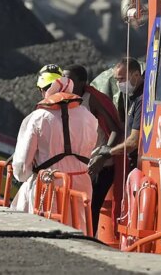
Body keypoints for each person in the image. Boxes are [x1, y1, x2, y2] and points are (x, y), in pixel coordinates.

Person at [11, 65, 98, 229]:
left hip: (48, 186)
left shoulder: (37, 118)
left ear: (43, 90)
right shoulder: (88, 116)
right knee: (79, 231)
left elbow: (21, 169)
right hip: (82, 184)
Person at [63, 64, 124, 231]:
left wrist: (101, 157)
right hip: (79, 165)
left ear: (83, 82)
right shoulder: (63, 99)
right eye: (63, 79)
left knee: (91, 207)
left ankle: (89, 242)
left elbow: (115, 130)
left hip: (99, 166)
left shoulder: (92, 99)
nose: (66, 83)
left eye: (70, 79)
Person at [90, 58, 144, 171]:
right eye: (117, 80)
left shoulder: (141, 99)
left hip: (139, 162)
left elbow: (133, 141)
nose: (119, 84)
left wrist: (109, 152)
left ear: (136, 75)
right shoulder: (131, 96)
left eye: (122, 79)